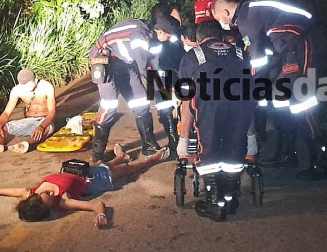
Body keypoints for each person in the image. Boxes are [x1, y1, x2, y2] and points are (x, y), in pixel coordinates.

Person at [211, 0, 327, 181]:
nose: (222, 23)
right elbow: (260, 54)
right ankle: (287, 154)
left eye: (219, 18)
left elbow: (257, 61)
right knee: (280, 102)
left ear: (226, 12)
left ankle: (321, 162)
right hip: (288, 49)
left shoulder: (247, 18)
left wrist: (247, 87)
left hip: (303, 42)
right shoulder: (250, 14)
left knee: (302, 102)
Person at [177, 20, 255, 215]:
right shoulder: (240, 52)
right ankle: (229, 197)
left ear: (199, 39)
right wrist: (251, 136)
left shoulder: (192, 56)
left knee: (209, 146)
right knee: (235, 144)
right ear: (221, 36)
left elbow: (187, 101)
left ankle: (214, 201)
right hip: (241, 103)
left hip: (209, 105)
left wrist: (184, 139)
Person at [0, 144, 170, 228]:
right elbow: (96, 205)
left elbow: (15, 191)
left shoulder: (32, 193)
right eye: (50, 199)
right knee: (127, 170)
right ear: (49, 208)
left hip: (82, 171)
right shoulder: (63, 202)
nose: (50, 193)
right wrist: (101, 215)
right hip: (96, 181)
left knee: (99, 163)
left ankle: (121, 157)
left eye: (46, 193)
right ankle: (152, 159)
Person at [88, 18, 166, 162]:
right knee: (109, 105)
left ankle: (148, 145)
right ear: (159, 31)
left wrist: (158, 89)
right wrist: (159, 91)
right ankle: (97, 153)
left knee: (140, 99)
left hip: (122, 61)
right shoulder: (140, 37)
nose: (168, 39)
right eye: (168, 35)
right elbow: (144, 69)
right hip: (104, 59)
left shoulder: (152, 36)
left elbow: (152, 65)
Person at [148, 14, 185, 151]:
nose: (170, 37)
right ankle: (172, 138)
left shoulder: (172, 39)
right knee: (164, 110)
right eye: (168, 35)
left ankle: (177, 137)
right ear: (159, 31)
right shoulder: (153, 43)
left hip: (172, 75)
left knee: (175, 108)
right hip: (158, 77)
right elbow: (151, 63)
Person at [0, 69, 56, 153]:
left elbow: (52, 112)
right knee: (3, 127)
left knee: (45, 130)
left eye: (27, 85)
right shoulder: (17, 90)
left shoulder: (46, 87)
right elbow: (6, 113)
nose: (25, 88)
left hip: (45, 120)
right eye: (23, 85)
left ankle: (26, 144)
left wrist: (41, 126)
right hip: (28, 120)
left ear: (35, 80)